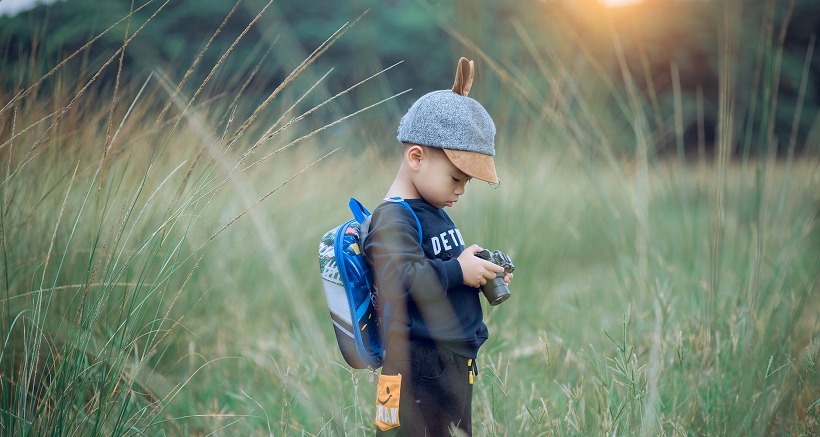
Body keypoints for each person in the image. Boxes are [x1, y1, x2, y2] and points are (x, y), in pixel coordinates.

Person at [363, 57, 513, 436]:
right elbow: (401, 277)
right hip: (412, 367)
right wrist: (458, 270)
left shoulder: (431, 208)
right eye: (455, 178)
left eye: (467, 182)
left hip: (448, 362)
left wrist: (475, 269)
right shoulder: (393, 218)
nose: (461, 190)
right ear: (416, 157)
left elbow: (436, 267)